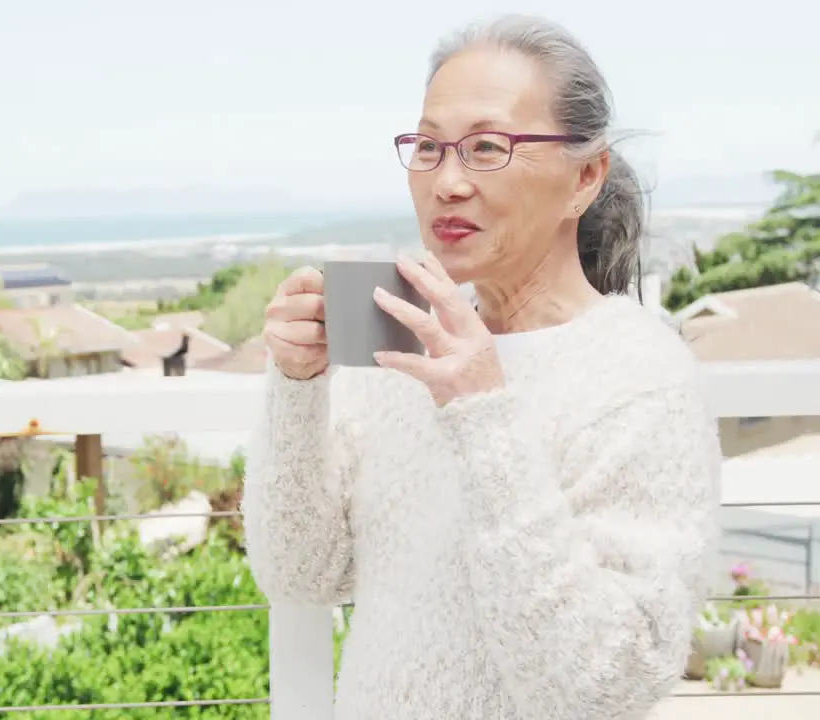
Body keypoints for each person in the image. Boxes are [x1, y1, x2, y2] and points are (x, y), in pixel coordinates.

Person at [242, 14, 721, 719]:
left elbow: (604, 684)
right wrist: (299, 387)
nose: (448, 182)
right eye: (428, 148)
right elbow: (301, 571)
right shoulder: (406, 339)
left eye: (487, 148)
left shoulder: (641, 379)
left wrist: (482, 410)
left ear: (586, 176)